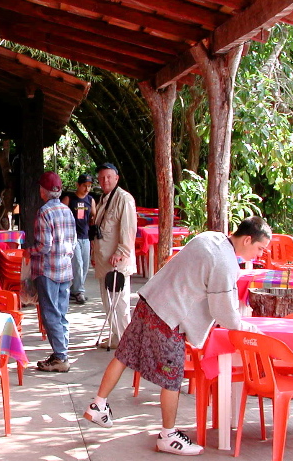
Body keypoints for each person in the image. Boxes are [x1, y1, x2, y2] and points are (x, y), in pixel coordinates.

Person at [84, 216, 272, 456]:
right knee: (172, 379)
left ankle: (98, 404)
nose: (259, 255)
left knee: (124, 355)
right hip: (168, 316)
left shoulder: (211, 237)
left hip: (149, 301)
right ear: (247, 240)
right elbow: (224, 313)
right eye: (260, 248)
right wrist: (246, 327)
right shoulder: (225, 262)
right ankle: (168, 436)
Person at [30, 171, 77, 372]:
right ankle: (62, 352)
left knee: (50, 314)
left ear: (43, 191)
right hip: (65, 269)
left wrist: (29, 252)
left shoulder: (44, 212)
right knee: (61, 313)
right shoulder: (67, 211)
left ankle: (60, 357)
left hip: (47, 270)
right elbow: (73, 242)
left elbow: (44, 246)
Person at [92, 162, 137, 349]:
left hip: (116, 262)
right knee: (108, 301)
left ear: (116, 178)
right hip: (104, 260)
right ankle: (118, 335)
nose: (105, 181)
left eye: (109, 177)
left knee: (120, 303)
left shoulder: (124, 199)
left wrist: (121, 252)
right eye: (102, 178)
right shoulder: (104, 198)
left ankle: (127, 341)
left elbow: (128, 229)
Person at [62, 174, 96, 305]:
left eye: (89, 186)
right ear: (78, 185)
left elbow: (94, 215)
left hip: (85, 236)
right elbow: (60, 214)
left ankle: (74, 290)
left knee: (85, 265)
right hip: (72, 237)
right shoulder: (69, 199)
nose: (87, 189)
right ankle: (79, 291)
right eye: (84, 186)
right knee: (78, 264)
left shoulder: (90, 200)